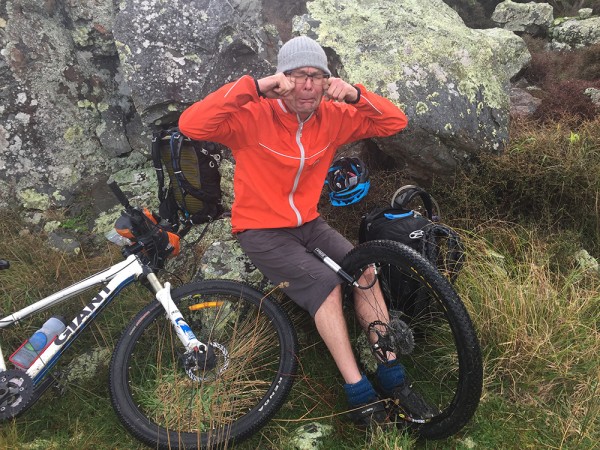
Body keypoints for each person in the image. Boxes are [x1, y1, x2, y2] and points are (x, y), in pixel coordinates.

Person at [179, 35, 434, 425]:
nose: (309, 85)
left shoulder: (332, 117)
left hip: (308, 224)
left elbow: (394, 121)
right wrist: (256, 86)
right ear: (284, 79)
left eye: (317, 76)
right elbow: (192, 124)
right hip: (260, 230)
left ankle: (393, 376)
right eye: (299, 75)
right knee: (326, 285)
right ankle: (359, 393)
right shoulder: (253, 116)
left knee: (365, 270)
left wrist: (354, 95)